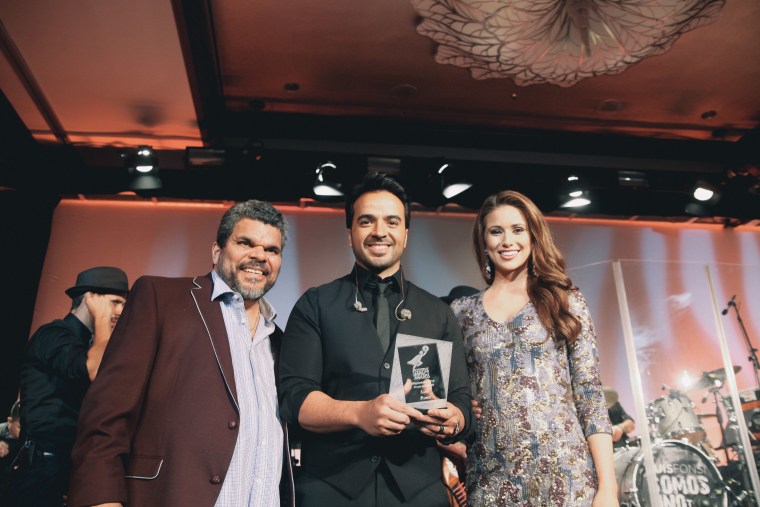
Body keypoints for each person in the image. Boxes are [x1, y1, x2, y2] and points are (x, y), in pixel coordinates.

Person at [67, 200, 294, 507]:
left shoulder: (279, 340)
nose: (259, 256)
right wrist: (101, 499)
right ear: (217, 252)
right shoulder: (160, 298)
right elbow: (106, 414)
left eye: (272, 250)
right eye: (245, 243)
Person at [279, 172, 474, 507]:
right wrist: (360, 413)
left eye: (392, 222)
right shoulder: (316, 304)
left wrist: (450, 420)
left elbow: (460, 403)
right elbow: (295, 399)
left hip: (418, 493)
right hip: (330, 489)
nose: (380, 231)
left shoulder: (438, 313)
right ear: (350, 233)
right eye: (367, 221)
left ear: (406, 234)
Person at [450, 190, 617, 506]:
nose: (506, 240)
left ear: (533, 235)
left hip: (569, 481)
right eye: (496, 231)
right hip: (491, 484)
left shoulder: (565, 302)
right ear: (483, 240)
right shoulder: (462, 312)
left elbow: (590, 397)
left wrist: (607, 488)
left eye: (517, 229)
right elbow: (452, 397)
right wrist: (462, 411)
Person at [17, 266, 129, 506]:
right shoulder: (54, 335)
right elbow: (93, 370)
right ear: (89, 299)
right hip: (42, 468)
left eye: (123, 304)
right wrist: (101, 320)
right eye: (114, 302)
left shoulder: (92, 343)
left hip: (68, 466)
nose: (120, 311)